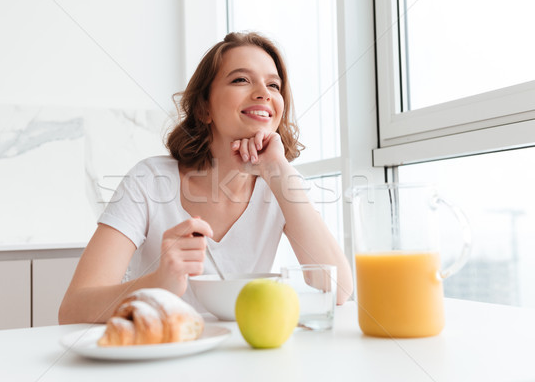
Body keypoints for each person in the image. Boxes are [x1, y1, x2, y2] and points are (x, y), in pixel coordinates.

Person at [58, 32, 353, 324]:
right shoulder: (148, 180)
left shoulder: (280, 182)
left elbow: (337, 291)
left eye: (274, 84)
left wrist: (278, 170)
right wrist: (160, 282)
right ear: (203, 108)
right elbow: (73, 308)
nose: (264, 92)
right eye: (241, 79)